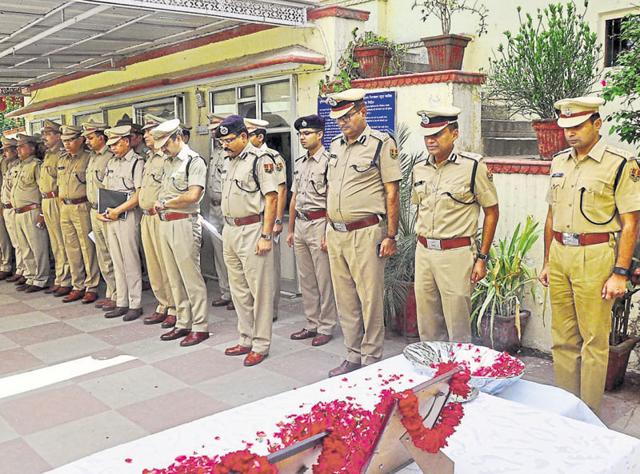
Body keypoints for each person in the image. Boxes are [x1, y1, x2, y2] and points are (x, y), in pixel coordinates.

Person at [538, 96, 640, 415]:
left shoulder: (620, 162)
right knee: (562, 339)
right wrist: (546, 261)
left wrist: (620, 272)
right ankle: (567, 412)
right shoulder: (559, 162)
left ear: (597, 124)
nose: (571, 133)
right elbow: (551, 216)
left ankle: (588, 417)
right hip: (560, 254)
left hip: (595, 255)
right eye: (566, 126)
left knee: (594, 342)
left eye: (578, 126)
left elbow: (631, 221)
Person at [324, 88, 401, 377]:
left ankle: (370, 359)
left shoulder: (381, 144)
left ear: (362, 112)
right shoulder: (335, 146)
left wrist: (390, 235)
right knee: (345, 299)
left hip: (366, 233)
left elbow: (392, 192)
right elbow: (332, 190)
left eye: (347, 116)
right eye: (338, 118)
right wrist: (327, 228)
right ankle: (352, 355)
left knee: (369, 299)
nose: (342, 122)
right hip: (336, 233)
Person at [411, 107, 499, 342]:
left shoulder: (472, 167)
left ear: (454, 134)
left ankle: (459, 375)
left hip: (456, 255)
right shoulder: (419, 168)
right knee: (428, 325)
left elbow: (492, 212)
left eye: (438, 134)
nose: (431, 140)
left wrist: (482, 257)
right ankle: (434, 374)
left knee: (457, 326)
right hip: (424, 252)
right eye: (427, 135)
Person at [217, 115, 279, 366]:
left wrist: (266, 235)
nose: (225, 145)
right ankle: (245, 338)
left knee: (259, 290)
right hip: (230, 230)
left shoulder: (260, 160)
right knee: (239, 289)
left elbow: (272, 198)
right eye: (222, 141)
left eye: (230, 140)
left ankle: (261, 344)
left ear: (244, 136)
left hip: (252, 229)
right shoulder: (229, 161)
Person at [152, 119, 210, 346]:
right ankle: (183, 322)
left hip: (184, 222)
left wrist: (166, 203)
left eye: (166, 144)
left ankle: (200, 326)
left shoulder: (193, 162)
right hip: (165, 223)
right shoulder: (167, 162)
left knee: (191, 277)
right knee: (173, 277)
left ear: (178, 138)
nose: (163, 149)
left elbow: (193, 195)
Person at [287, 114, 338, 346]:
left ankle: (326, 326)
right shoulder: (300, 163)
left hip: (319, 224)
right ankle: (312, 323)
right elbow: (294, 197)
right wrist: (290, 229)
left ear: (320, 135)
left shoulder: (329, 161)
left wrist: (328, 231)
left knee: (323, 279)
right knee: (306, 279)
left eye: (307, 133)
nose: (303, 137)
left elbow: (331, 200)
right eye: (300, 134)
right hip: (300, 224)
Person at [97, 125, 144, 321]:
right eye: (111, 145)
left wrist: (118, 211)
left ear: (126, 141)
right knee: (116, 259)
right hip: (111, 216)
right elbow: (107, 189)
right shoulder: (112, 163)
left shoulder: (137, 162)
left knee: (130, 260)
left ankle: (135, 303)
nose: (113, 148)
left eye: (116, 144)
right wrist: (103, 213)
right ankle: (121, 301)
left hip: (127, 215)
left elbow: (138, 195)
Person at [138, 114, 179, 328]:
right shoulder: (150, 158)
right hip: (147, 217)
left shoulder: (168, 159)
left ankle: (174, 307)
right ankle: (162, 304)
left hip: (162, 218)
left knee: (167, 265)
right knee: (153, 264)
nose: (146, 135)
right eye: (145, 132)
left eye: (149, 131)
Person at [244, 118, 287, 321]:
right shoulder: (246, 158)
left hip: (266, 218)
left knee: (269, 268)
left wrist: (278, 220)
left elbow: (280, 189)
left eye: (249, 135)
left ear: (260, 137)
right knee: (254, 269)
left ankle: (272, 311)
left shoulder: (272, 157)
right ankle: (256, 308)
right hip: (250, 220)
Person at [58, 125, 99, 303]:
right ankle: (78, 284)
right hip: (64, 206)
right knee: (71, 247)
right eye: (64, 141)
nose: (67, 144)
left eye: (70, 140)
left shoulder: (88, 158)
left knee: (86, 247)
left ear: (81, 140)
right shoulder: (62, 159)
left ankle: (92, 285)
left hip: (82, 205)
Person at [82, 119, 117, 311]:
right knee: (102, 254)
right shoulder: (93, 157)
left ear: (102, 138)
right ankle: (111, 291)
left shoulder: (110, 156)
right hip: (94, 209)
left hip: (107, 209)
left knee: (113, 254)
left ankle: (119, 293)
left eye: (91, 137)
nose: (88, 141)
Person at [11, 134, 50, 292]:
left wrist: (42, 213)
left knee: (37, 246)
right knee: (25, 247)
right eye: (18, 146)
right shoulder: (19, 166)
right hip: (18, 212)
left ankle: (40, 278)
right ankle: (31, 275)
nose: (18, 149)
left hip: (32, 210)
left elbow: (43, 190)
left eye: (22, 146)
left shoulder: (36, 165)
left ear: (32, 148)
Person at [39, 120, 71, 295]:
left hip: (57, 199)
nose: (45, 137)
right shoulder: (48, 154)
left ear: (58, 136)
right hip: (46, 200)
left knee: (63, 241)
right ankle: (60, 277)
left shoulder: (61, 154)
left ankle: (67, 279)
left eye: (48, 133)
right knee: (55, 243)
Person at [206, 113, 233, 310]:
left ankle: (238, 295)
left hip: (228, 209)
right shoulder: (215, 152)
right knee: (219, 253)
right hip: (213, 207)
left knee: (233, 254)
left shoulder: (232, 153)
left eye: (216, 130)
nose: (214, 135)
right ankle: (226, 292)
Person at [0, 138, 20, 281]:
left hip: (14, 206)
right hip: (6, 203)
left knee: (16, 241)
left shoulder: (8, 164)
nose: (5, 153)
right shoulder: (7, 164)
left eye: (7, 150)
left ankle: (11, 266)